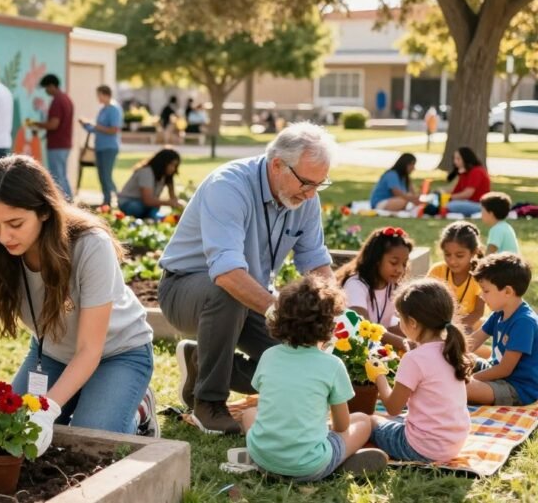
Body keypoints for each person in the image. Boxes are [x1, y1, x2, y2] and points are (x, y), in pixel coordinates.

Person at [0, 155, 158, 452]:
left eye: (15, 223)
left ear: (45, 212)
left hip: (118, 353)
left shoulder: (90, 246)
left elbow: (90, 349)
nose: (4, 236)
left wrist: (47, 409)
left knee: (91, 441)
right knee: (11, 436)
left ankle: (140, 410)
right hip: (50, 354)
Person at [159, 122, 337, 434]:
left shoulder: (304, 196)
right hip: (185, 289)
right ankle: (209, 402)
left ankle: (202, 362)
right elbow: (227, 274)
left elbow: (315, 261)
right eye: (307, 184)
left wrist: (332, 312)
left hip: (250, 295)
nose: (310, 195)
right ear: (278, 164)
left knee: (300, 354)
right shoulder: (228, 186)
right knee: (226, 293)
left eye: (318, 186)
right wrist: (279, 312)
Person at [237, 277, 387, 479]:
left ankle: (276, 463)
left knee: (249, 413)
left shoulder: (268, 355)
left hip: (264, 459)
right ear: (329, 326)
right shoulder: (332, 365)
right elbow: (341, 426)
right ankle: (335, 465)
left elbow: (271, 405)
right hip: (310, 465)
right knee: (362, 421)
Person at [369, 279, 471, 463]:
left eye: (400, 318)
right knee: (392, 420)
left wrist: (379, 376)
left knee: (369, 421)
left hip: (421, 449)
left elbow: (393, 407)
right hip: (453, 444)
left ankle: (358, 453)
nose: (399, 322)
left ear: (413, 323)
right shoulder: (450, 349)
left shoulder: (414, 359)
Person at [467, 253, 537, 406]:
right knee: (458, 363)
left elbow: (505, 369)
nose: (481, 296)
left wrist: (472, 379)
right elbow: (472, 342)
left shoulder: (524, 322)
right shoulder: (499, 313)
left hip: (516, 387)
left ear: (507, 292)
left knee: (461, 388)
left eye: (486, 291)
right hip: (495, 370)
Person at [337, 227, 413, 348]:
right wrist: (406, 344)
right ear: (376, 259)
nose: (400, 270)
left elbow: (389, 324)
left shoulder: (392, 285)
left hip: (376, 350)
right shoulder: (356, 284)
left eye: (404, 264)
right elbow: (362, 325)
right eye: (394, 263)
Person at [428, 222, 486, 333]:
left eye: (459, 255)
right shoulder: (437, 271)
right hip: (436, 326)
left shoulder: (479, 277)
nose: (452, 261)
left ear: (474, 252)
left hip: (466, 327)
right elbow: (425, 302)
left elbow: (478, 312)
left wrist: (454, 327)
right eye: (447, 254)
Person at [29, 74, 74, 200]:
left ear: (52, 86)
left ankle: (65, 204)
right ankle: (69, 201)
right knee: (62, 175)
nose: (46, 91)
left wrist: (36, 124)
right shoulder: (66, 98)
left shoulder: (57, 101)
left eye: (46, 88)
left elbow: (53, 125)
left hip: (57, 144)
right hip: (64, 144)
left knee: (57, 176)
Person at [80, 85, 122, 207]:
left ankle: (119, 198)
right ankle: (106, 201)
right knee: (101, 176)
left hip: (109, 148)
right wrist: (85, 125)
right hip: (99, 147)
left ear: (105, 94)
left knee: (107, 176)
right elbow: (96, 129)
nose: (98, 98)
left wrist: (95, 125)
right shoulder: (103, 109)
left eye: (99, 95)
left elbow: (113, 130)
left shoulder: (114, 109)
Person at [117, 149, 185, 219]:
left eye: (175, 166)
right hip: (130, 202)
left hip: (148, 205)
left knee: (154, 211)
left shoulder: (166, 176)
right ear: (163, 162)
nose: (173, 168)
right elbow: (148, 200)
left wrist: (179, 206)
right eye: (171, 164)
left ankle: (152, 218)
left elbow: (173, 198)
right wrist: (169, 202)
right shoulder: (146, 172)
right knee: (137, 208)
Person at [444, 147, 490, 216]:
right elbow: (455, 191)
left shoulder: (477, 171)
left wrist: (449, 197)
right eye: (454, 159)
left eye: (458, 159)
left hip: (479, 205)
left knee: (448, 205)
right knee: (443, 204)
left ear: (466, 159)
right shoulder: (464, 173)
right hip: (468, 202)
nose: (455, 162)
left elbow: (467, 193)